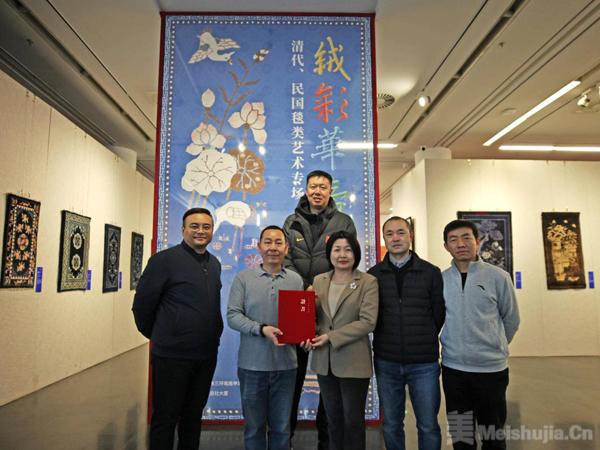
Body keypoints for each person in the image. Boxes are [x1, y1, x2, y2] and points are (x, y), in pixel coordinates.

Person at [132, 208, 223, 450]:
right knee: (166, 417)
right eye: (194, 226)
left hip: (205, 355)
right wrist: (162, 335)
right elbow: (142, 306)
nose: (200, 231)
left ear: (212, 231)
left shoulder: (214, 264)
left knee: (193, 416)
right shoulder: (164, 261)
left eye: (206, 227)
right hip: (171, 356)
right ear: (183, 230)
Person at [283, 170, 356, 449]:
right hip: (296, 302)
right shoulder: (291, 221)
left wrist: (320, 286)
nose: (317, 191)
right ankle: (285, 438)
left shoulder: (343, 222)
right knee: (292, 377)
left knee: (331, 377)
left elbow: (348, 258)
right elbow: (285, 259)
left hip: (332, 303)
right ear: (305, 189)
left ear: (330, 191)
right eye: (313, 186)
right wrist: (305, 288)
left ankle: (328, 441)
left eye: (323, 187)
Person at [441, 219, 520, 450]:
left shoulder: (498, 277)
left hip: (490, 371)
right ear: (446, 246)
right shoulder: (442, 279)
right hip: (454, 370)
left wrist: (495, 344)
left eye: (466, 237)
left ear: (478, 241)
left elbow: (511, 318)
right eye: (453, 240)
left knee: (492, 435)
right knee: (461, 437)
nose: (460, 244)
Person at [368, 216, 445, 450]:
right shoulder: (374, 275)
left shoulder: (431, 272)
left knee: (428, 424)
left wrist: (422, 335)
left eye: (401, 232)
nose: (396, 238)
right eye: (389, 234)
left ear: (410, 235)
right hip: (387, 361)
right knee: (391, 424)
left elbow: (439, 313)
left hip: (424, 363)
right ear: (384, 239)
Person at [227, 225, 304, 450]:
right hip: (252, 367)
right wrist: (261, 329)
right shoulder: (243, 279)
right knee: (254, 428)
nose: (273, 247)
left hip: (286, 367)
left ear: (286, 248)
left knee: (282, 428)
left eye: (278, 242)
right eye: (268, 242)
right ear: (259, 247)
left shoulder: (295, 280)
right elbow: (233, 316)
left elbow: (299, 321)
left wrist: (306, 330)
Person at [302, 230, 378, 450]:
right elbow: (314, 319)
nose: (342, 255)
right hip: (324, 363)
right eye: (337, 249)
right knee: (332, 421)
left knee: (352, 422)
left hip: (354, 362)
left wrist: (330, 337)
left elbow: (368, 322)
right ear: (329, 253)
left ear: (356, 253)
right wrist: (308, 333)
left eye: (348, 250)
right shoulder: (319, 280)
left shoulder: (367, 282)